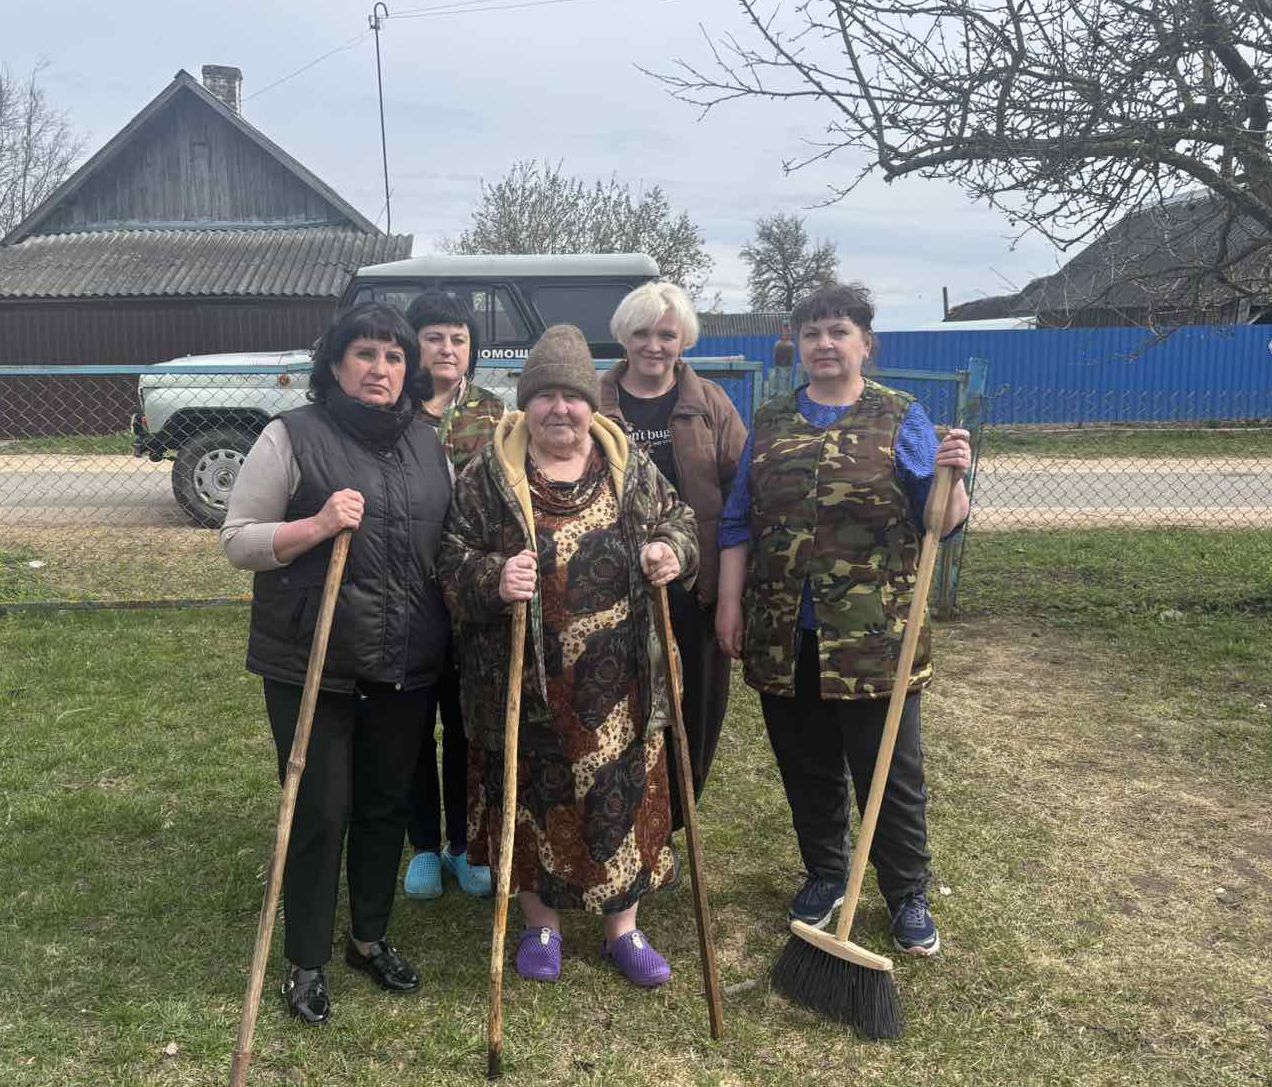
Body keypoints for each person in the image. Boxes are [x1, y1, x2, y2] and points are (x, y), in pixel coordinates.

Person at [438, 324, 699, 988]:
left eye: (573, 396)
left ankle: (623, 928)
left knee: (624, 796)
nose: (560, 408)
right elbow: (449, 556)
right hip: (523, 681)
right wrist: (493, 577)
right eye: (546, 395)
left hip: (621, 680)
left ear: (592, 404)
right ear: (528, 403)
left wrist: (671, 550)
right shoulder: (489, 474)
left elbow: (681, 522)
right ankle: (541, 925)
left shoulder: (629, 466)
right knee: (532, 798)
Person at [715, 282, 971, 957]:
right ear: (797, 345)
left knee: (888, 768)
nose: (824, 344)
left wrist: (955, 478)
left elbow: (937, 519)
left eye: (838, 331)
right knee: (805, 762)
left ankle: (906, 890)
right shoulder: (769, 420)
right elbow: (740, 519)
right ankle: (827, 871)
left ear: (865, 342)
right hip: (783, 628)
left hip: (874, 634)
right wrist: (731, 601)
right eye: (811, 333)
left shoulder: (899, 415)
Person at [221, 302, 452, 1025]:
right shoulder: (290, 436)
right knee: (321, 809)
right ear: (335, 363)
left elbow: (447, 538)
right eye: (365, 354)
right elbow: (239, 539)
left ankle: (368, 937)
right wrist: (316, 525)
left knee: (385, 803)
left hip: (405, 661)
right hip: (312, 662)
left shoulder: (428, 440)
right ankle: (308, 957)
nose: (380, 368)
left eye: (393, 356)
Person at [600, 281, 746, 828]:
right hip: (612, 590)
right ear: (624, 337)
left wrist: (734, 587)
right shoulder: (595, 402)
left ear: (683, 338)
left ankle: (675, 819)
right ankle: (628, 815)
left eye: (667, 333)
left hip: (694, 586)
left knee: (695, 710)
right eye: (642, 333)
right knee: (625, 706)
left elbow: (740, 496)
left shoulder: (709, 404)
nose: (654, 345)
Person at [399, 289, 505, 902]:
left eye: (459, 338)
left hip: (470, 600)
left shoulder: (494, 416)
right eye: (435, 336)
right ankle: (422, 845)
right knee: (412, 723)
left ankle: (465, 844)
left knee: (467, 724)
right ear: (414, 344)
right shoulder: (395, 411)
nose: (447, 347)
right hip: (408, 593)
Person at [770, 323, 795, 396]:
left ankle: (783, 396)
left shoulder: (790, 345)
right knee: (775, 382)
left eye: (788, 331)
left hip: (786, 368)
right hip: (778, 367)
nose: (786, 332)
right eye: (785, 330)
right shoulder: (778, 343)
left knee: (784, 387)